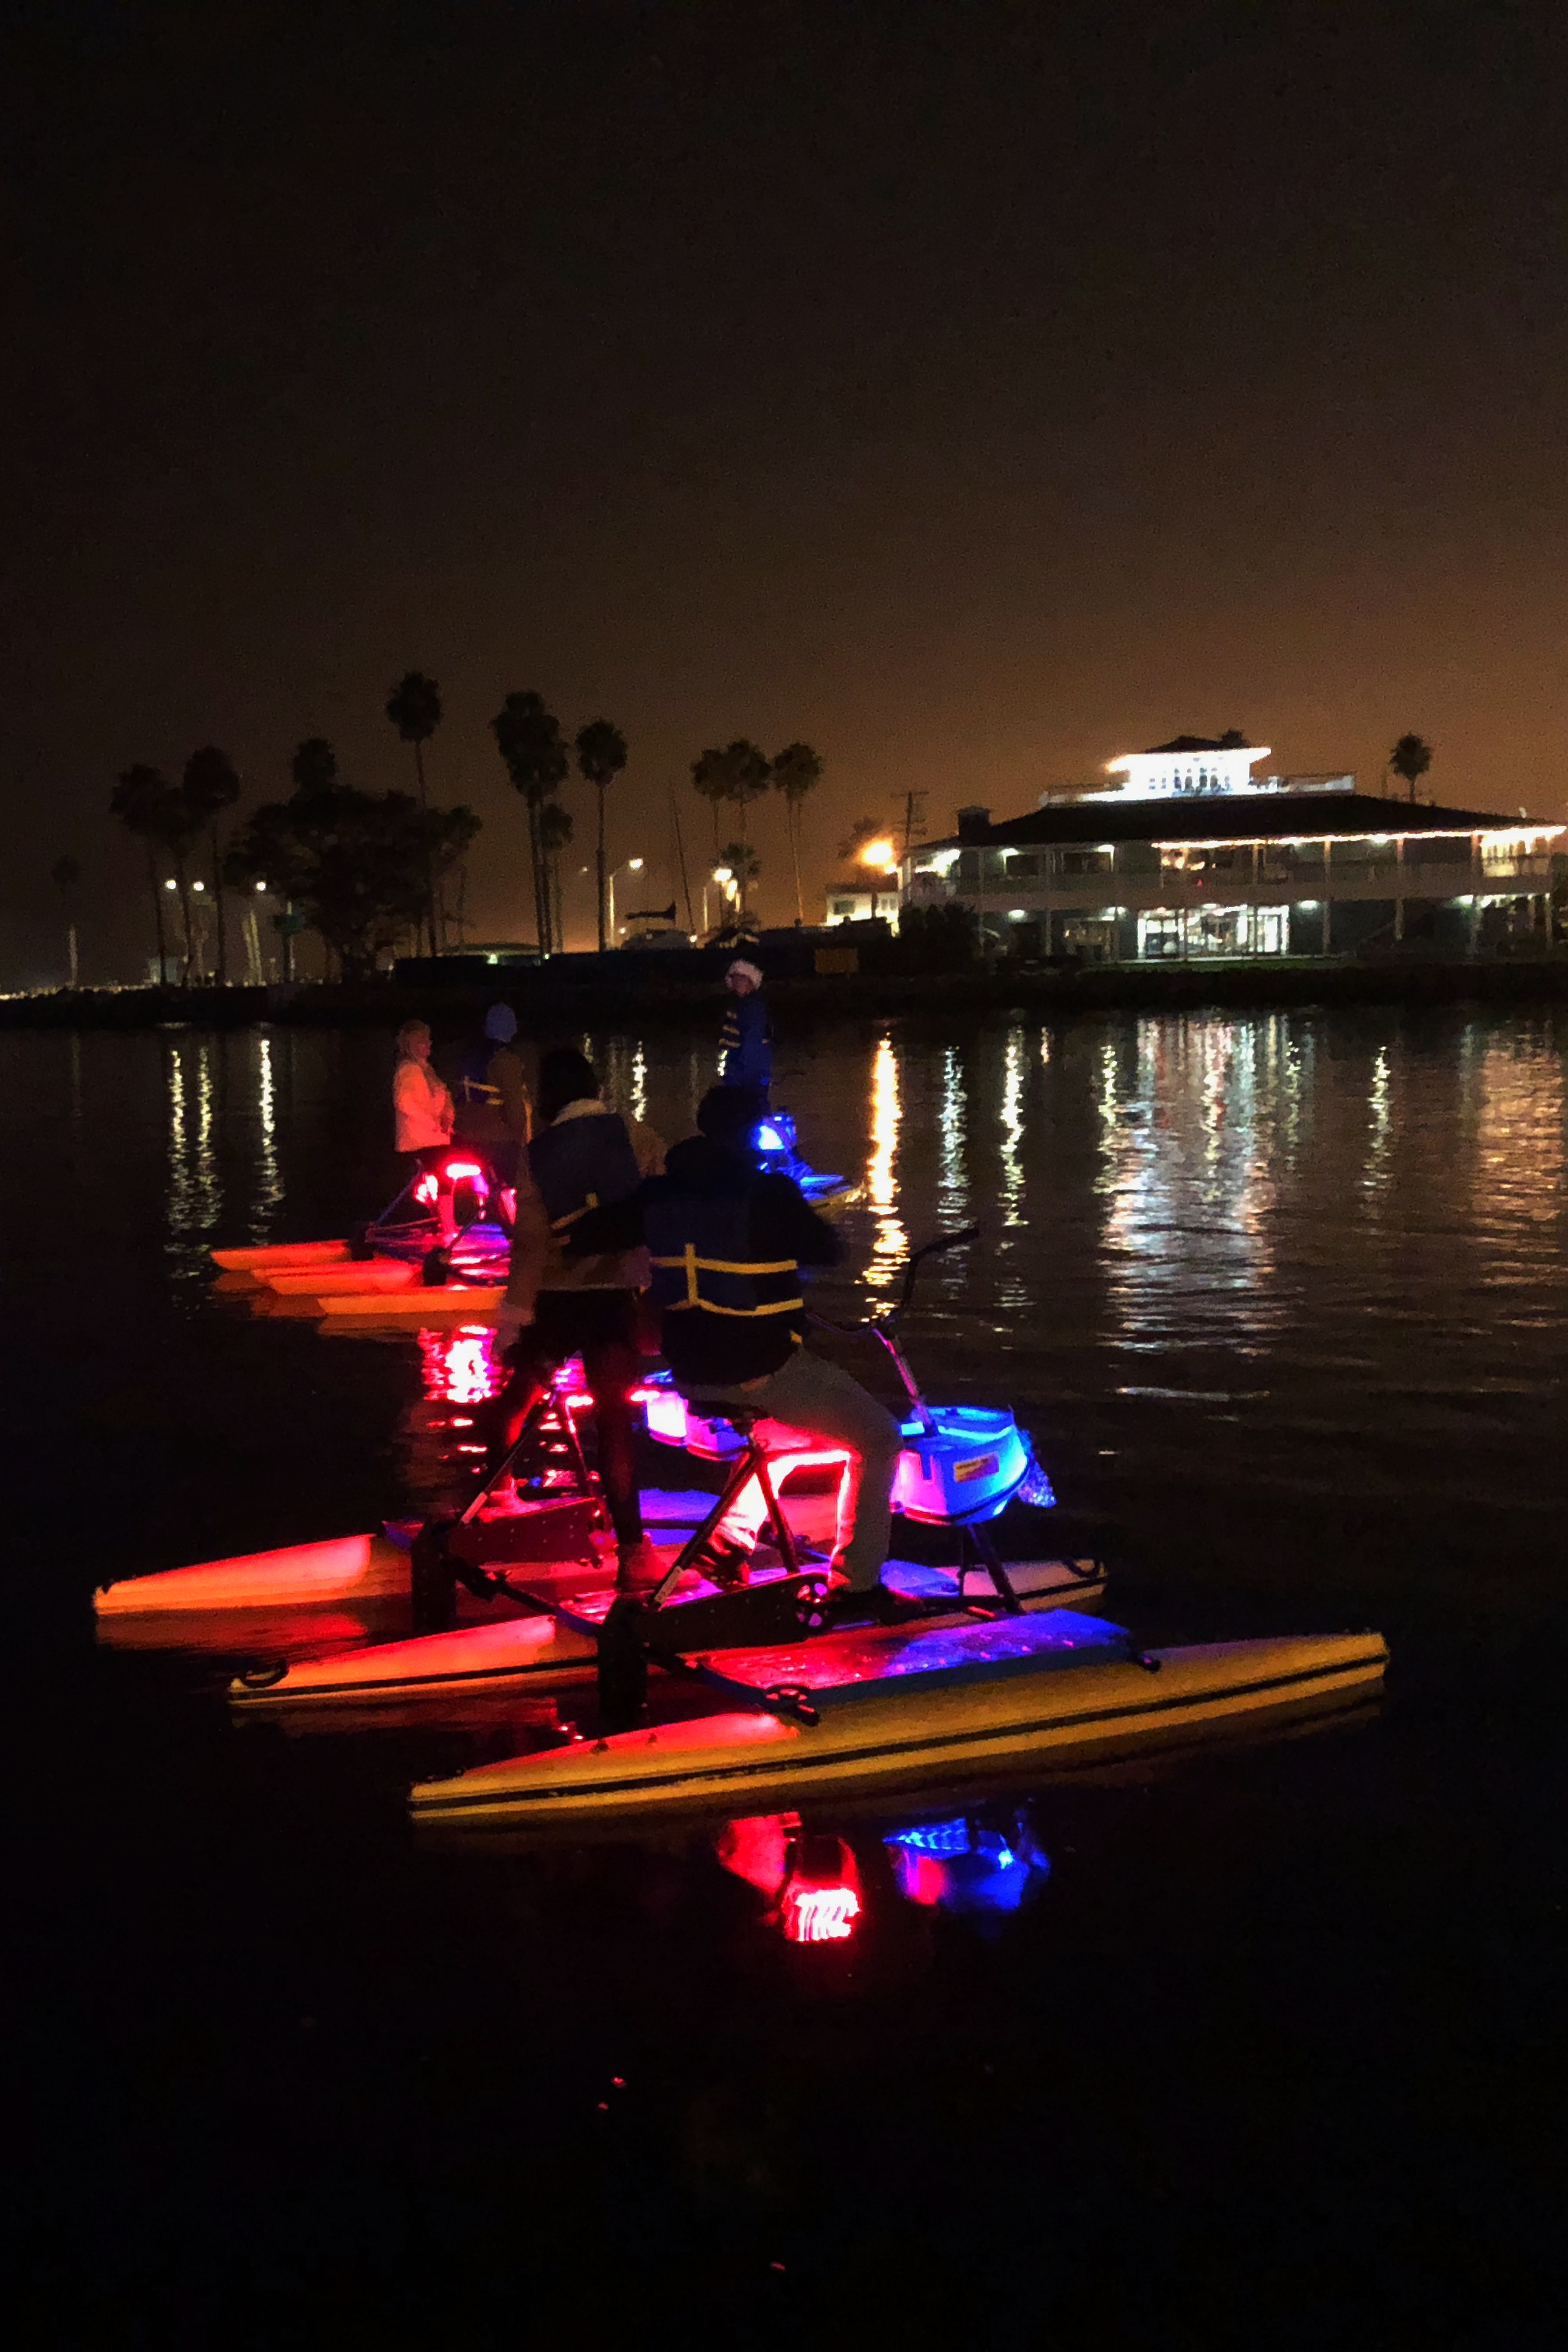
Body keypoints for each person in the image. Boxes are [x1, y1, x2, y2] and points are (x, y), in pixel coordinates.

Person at [569, 1084, 901, 1599]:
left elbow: (587, 1233)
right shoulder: (767, 1194)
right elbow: (828, 1249)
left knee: (781, 1437)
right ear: (754, 1132)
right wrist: (794, 1203)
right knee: (878, 1436)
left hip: (690, 1370)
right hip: (763, 1365)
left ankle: (726, 1545)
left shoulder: (661, 1193)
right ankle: (856, 1586)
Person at [491, 1048, 665, 1591]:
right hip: (619, 1299)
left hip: (559, 1298)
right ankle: (633, 1551)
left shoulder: (538, 1153)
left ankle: (495, 1499)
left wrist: (512, 1320)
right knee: (614, 1421)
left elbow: (530, 1244)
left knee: (519, 1396)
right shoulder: (639, 1136)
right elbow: (665, 1211)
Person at [453, 1002, 534, 1185]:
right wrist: (521, 1140)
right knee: (518, 1185)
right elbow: (515, 1106)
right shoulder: (506, 1060)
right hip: (496, 1141)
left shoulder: (468, 1057)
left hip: (465, 1136)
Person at [719, 960, 772, 1101]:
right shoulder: (737, 1005)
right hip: (735, 1069)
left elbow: (753, 1041)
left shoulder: (753, 1007)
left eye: (742, 980)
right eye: (735, 979)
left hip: (749, 1072)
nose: (738, 983)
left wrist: (744, 1073)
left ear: (750, 983)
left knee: (750, 1108)